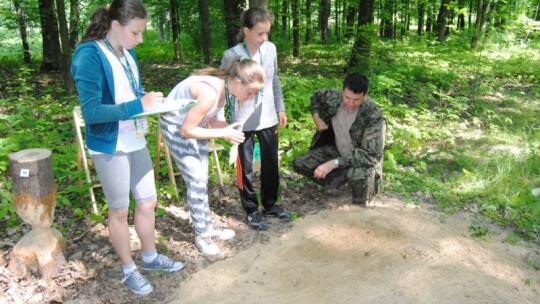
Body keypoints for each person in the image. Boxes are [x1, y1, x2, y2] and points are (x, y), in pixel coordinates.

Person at [71, 0, 182, 296]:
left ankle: (149, 256)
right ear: (116, 26)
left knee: (147, 202)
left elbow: (129, 92)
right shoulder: (89, 54)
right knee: (120, 212)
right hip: (110, 143)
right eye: (136, 32)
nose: (140, 39)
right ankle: (128, 269)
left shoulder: (127, 52)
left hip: (134, 138)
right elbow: (92, 112)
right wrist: (138, 105)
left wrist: (151, 100)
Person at [160, 57, 265, 255]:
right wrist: (222, 133)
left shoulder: (226, 90)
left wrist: (228, 129)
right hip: (176, 128)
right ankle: (202, 235)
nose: (251, 97)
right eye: (251, 92)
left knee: (202, 178)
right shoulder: (209, 92)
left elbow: (213, 121)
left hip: (194, 128)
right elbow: (186, 130)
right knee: (197, 181)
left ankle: (207, 226)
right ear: (237, 82)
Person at [220, 8, 290, 231]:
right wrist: (223, 122)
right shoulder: (231, 55)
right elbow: (223, 89)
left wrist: (280, 107)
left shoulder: (271, 50)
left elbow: (274, 79)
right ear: (246, 30)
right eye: (259, 34)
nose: (264, 38)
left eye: (267, 33)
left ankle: (270, 204)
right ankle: (251, 210)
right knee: (246, 167)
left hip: (268, 116)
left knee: (271, 163)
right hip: (243, 120)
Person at [293, 73, 385, 205]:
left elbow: (369, 155)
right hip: (337, 151)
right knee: (301, 162)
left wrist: (333, 163)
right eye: (347, 97)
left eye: (356, 99)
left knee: (357, 175)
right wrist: (317, 118)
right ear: (342, 91)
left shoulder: (373, 114)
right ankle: (338, 182)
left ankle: (359, 204)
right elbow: (315, 98)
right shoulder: (333, 97)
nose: (351, 103)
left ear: (365, 95)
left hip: (362, 162)